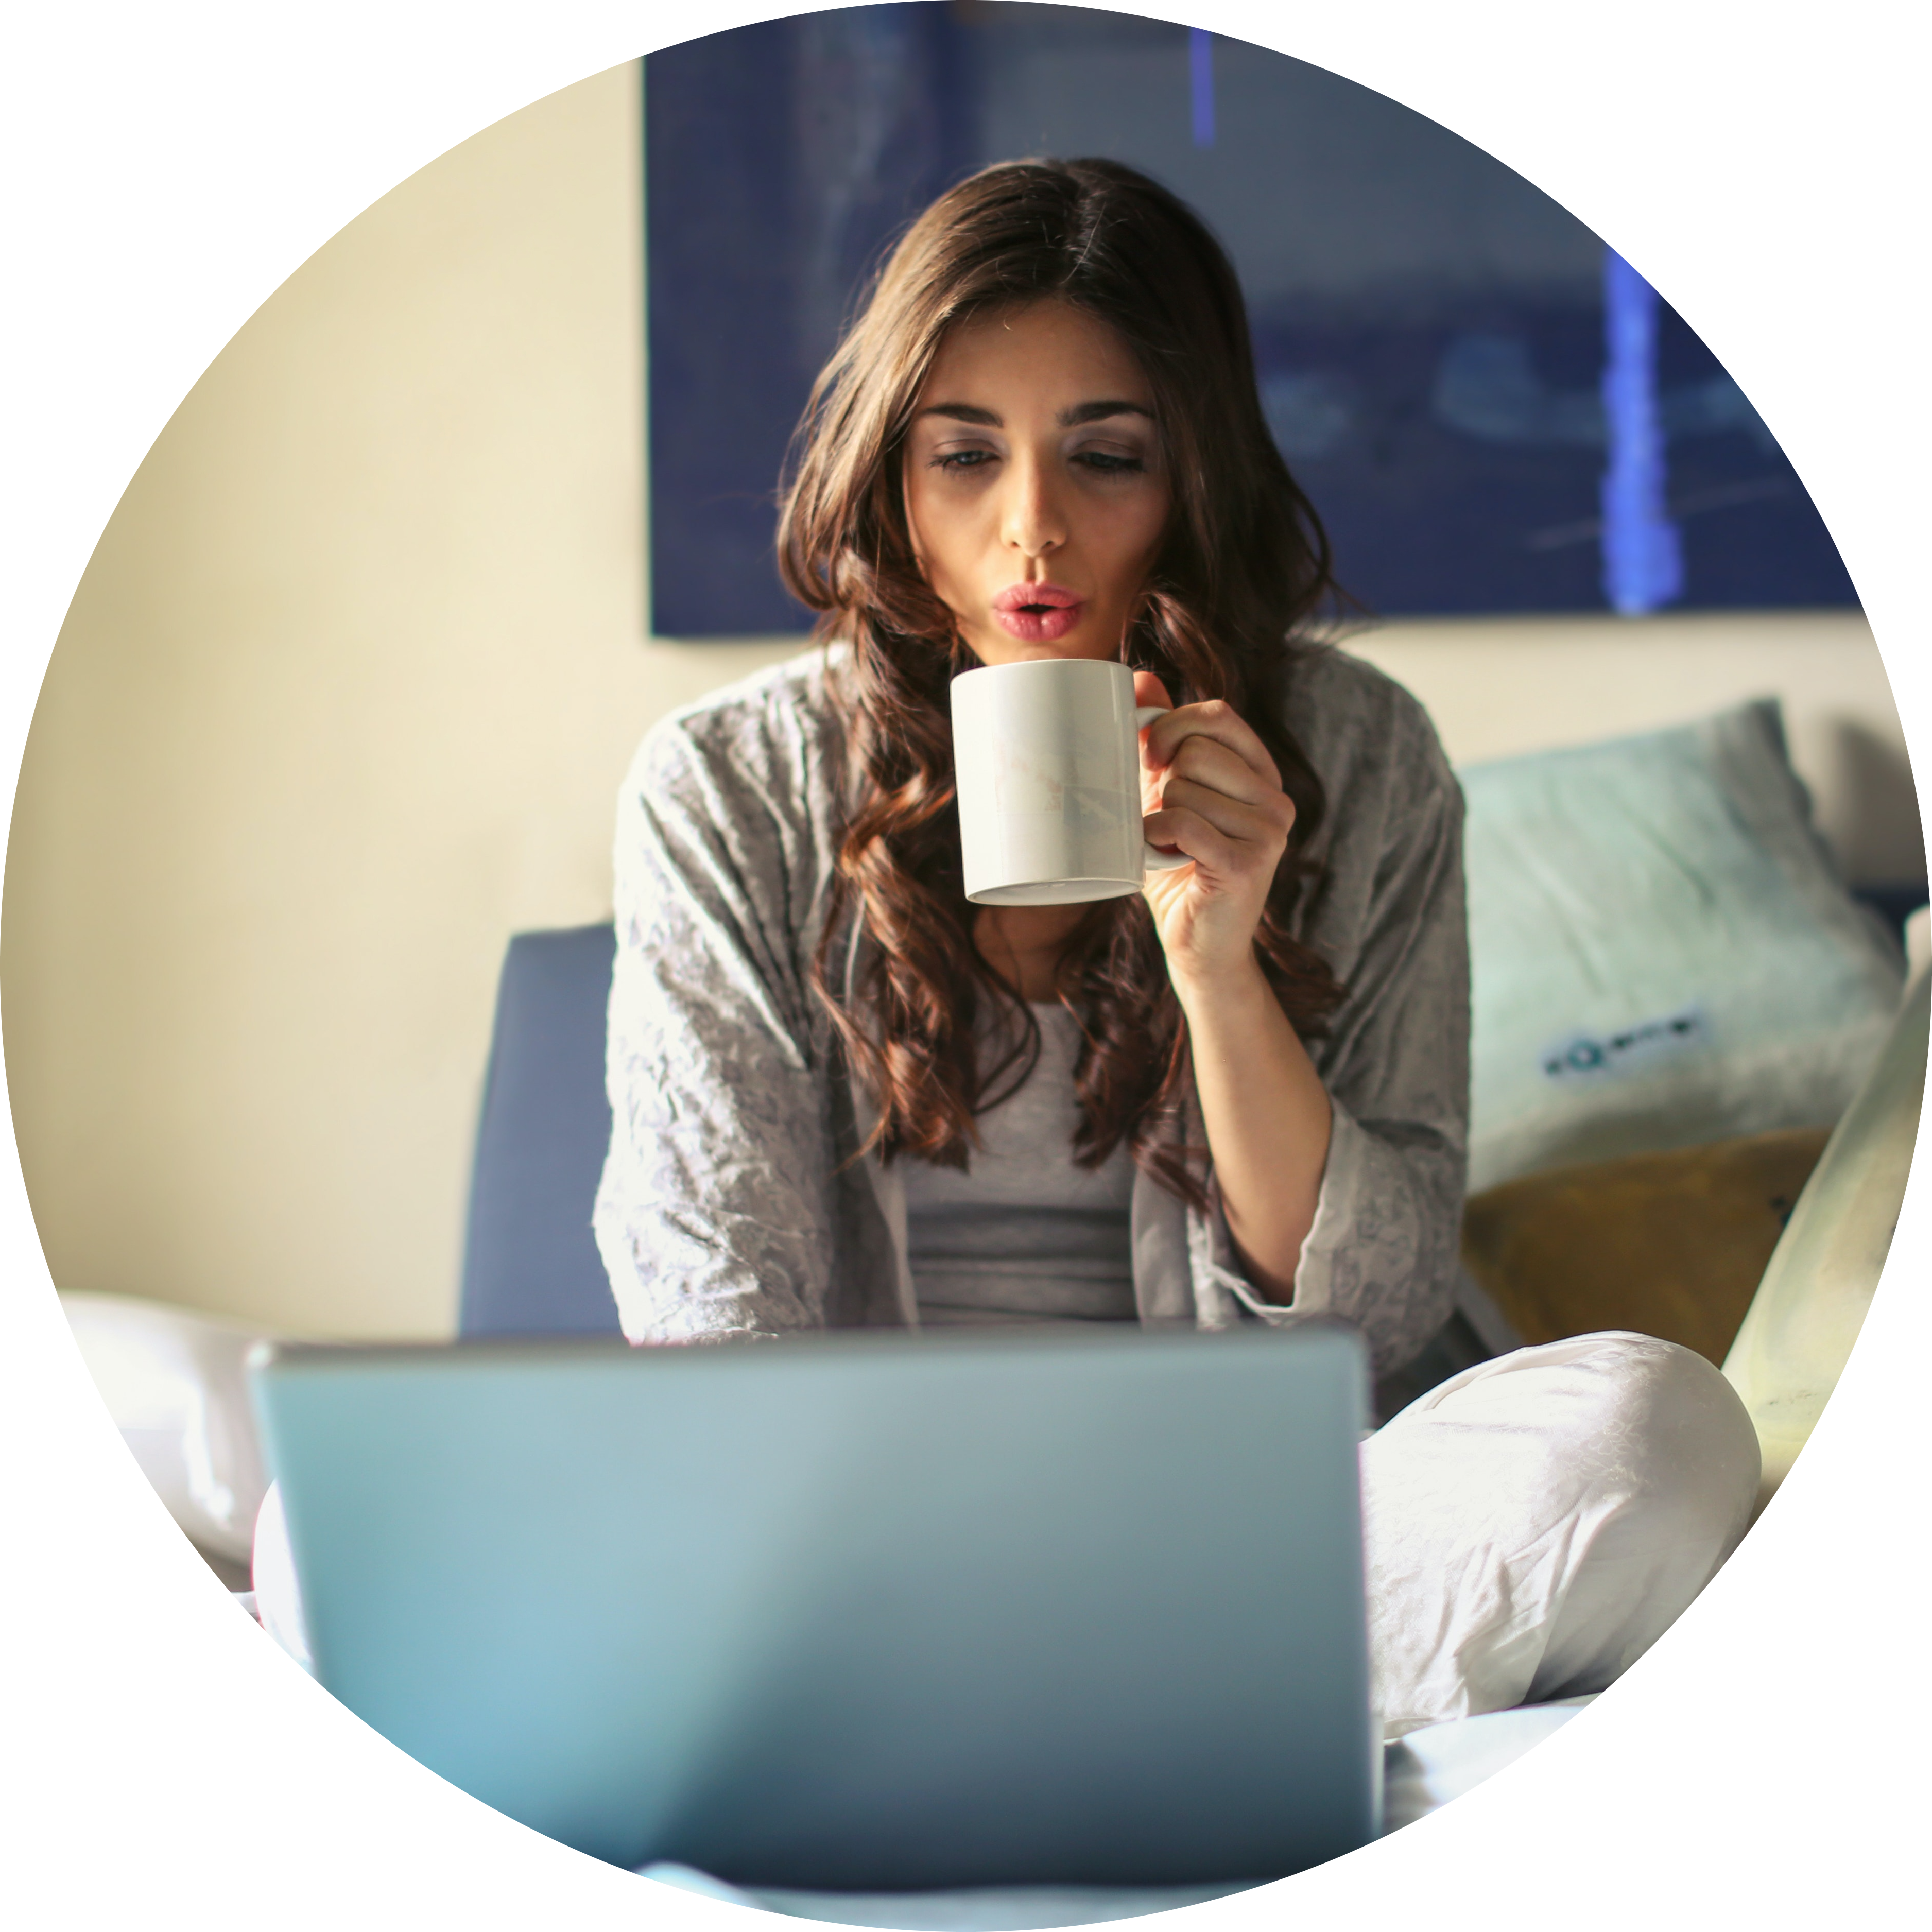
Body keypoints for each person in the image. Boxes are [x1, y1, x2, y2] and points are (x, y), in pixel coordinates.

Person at [260, 159, 1761, 1736]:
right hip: (847, 1542)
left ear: (1197, 478)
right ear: (890, 480)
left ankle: (954, 1722)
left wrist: (1220, 960)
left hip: (1246, 1539)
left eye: (1105, 457)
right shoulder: (728, 788)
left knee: (1656, 1434)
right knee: (327, 1536)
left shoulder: (1363, 764)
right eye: (964, 455)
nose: (1031, 528)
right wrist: (836, 1549)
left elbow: (1372, 1314)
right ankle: (1116, 1715)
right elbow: (712, 1306)